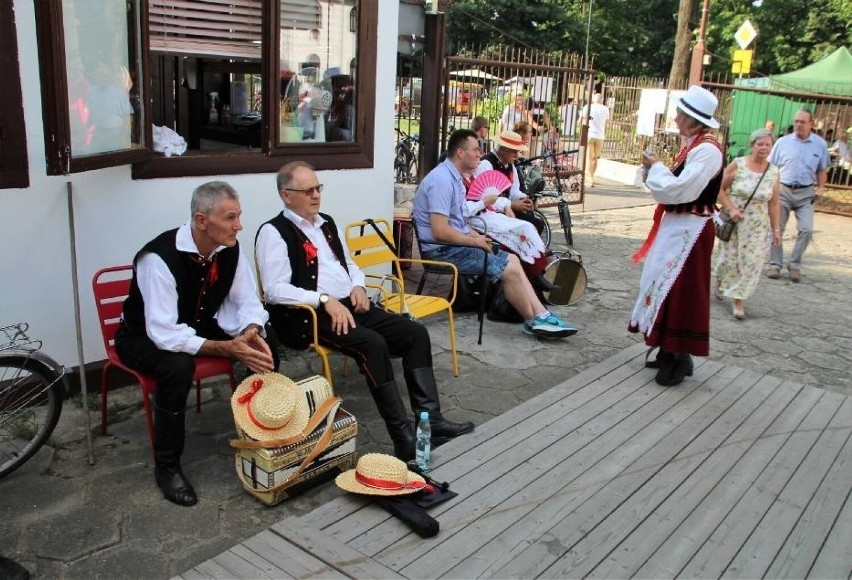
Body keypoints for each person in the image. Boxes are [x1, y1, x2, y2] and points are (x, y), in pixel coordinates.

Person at [256, 161, 475, 461]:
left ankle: (431, 421)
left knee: (414, 333)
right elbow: (274, 289)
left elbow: (350, 266)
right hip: (310, 316)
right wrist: (323, 300)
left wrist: (358, 286)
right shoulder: (273, 232)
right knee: (373, 345)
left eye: (318, 188)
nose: (316, 195)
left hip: (352, 304)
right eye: (307, 191)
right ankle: (403, 438)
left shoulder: (326, 223)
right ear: (286, 195)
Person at [115, 181, 277, 507]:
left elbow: (247, 301)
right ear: (202, 220)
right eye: (231, 217)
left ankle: (262, 436)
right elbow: (164, 333)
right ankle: (167, 467)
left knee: (262, 344)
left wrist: (251, 331)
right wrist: (225, 348)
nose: (239, 225)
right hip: (141, 337)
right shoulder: (157, 259)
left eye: (239, 216)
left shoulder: (229, 247)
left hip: (193, 327)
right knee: (177, 366)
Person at [413, 129, 578, 339]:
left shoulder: (454, 178)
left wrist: (476, 238)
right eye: (475, 150)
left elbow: (459, 223)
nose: (480, 154)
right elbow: (440, 231)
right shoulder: (442, 181)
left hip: (453, 246)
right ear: (461, 152)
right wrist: (474, 241)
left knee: (512, 259)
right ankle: (533, 320)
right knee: (508, 267)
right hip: (443, 251)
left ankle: (542, 315)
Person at [629, 86, 724, 387]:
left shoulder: (707, 150)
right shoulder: (694, 145)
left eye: (680, 113)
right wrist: (653, 169)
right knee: (664, 285)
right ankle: (670, 349)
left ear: (692, 119)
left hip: (691, 232)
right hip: (679, 227)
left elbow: (679, 189)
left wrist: (655, 166)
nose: (675, 117)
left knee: (681, 290)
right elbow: (671, 186)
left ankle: (679, 353)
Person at [712, 128, 781, 320]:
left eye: (767, 144)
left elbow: (774, 203)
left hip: (757, 227)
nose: (764, 148)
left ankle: (738, 300)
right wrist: (732, 209)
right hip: (734, 224)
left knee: (750, 262)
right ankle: (720, 280)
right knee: (729, 260)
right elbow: (720, 189)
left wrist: (776, 229)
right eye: (760, 144)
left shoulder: (773, 172)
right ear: (752, 146)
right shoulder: (739, 164)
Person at [766, 109, 830, 282]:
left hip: (806, 192)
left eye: (802, 122)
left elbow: (822, 169)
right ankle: (775, 264)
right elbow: (770, 167)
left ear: (811, 123)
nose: (798, 125)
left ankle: (794, 264)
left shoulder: (820, 145)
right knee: (776, 227)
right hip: (783, 189)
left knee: (807, 229)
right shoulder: (782, 142)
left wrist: (821, 187)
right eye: (796, 121)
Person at [477, 130, 546, 236]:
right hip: (489, 213)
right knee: (528, 227)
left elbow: (514, 191)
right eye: (514, 152)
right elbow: (484, 198)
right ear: (503, 150)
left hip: (506, 210)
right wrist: (512, 204)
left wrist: (523, 199)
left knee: (538, 224)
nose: (517, 156)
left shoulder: (510, 166)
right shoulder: (486, 164)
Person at [580, 93, 610, 187]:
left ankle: (589, 178)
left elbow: (582, 120)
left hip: (590, 134)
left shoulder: (587, 107)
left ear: (593, 99)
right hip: (600, 136)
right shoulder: (605, 109)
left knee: (589, 157)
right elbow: (607, 122)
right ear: (602, 100)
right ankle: (592, 176)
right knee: (595, 158)